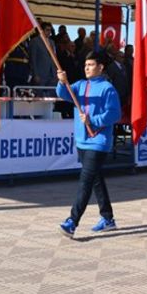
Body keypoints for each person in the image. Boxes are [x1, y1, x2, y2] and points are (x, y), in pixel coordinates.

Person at [56, 51, 121, 238]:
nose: (87, 68)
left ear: (101, 67)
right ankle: (108, 218)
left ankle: (72, 221)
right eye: (85, 64)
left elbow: (114, 114)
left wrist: (93, 119)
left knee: (85, 182)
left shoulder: (107, 88)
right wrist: (62, 81)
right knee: (96, 180)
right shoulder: (81, 84)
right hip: (82, 140)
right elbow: (64, 94)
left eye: (91, 65)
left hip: (98, 141)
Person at [29, 22, 57, 94]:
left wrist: (56, 72)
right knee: (38, 94)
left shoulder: (52, 42)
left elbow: (54, 58)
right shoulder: (35, 41)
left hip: (52, 74)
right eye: (47, 30)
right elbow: (33, 59)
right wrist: (35, 74)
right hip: (40, 74)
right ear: (41, 30)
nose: (49, 32)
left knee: (51, 96)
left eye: (50, 30)